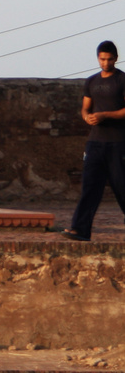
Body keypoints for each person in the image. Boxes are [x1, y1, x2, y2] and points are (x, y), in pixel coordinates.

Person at [63, 40, 125, 241]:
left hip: (118, 143)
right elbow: (85, 107)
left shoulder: (122, 80)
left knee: (121, 187)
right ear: (98, 58)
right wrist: (86, 116)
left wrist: (106, 115)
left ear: (116, 58)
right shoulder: (91, 81)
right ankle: (80, 229)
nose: (105, 63)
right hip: (95, 143)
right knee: (90, 187)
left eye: (109, 59)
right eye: (102, 59)